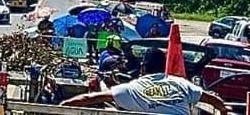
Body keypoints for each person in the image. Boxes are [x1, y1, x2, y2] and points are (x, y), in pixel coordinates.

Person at [60, 48, 229, 115]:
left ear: (142, 68)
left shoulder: (132, 88)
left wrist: (63, 106)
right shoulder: (181, 83)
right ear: (164, 68)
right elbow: (214, 100)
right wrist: (223, 111)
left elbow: (91, 98)